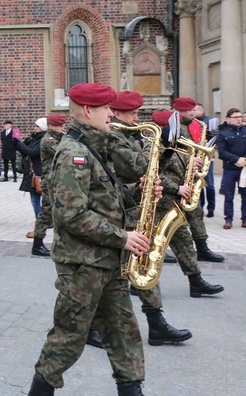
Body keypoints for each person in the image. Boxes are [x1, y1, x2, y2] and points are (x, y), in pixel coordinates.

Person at [28, 83, 152, 396]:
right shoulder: (74, 154)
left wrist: (137, 194)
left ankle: (131, 389)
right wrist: (122, 237)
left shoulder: (94, 146)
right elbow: (72, 215)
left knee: (123, 330)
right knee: (70, 336)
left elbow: (104, 200)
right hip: (83, 264)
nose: (112, 114)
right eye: (106, 109)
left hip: (106, 259)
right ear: (87, 111)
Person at [108, 93, 192, 347]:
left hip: (134, 211)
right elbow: (140, 166)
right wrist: (163, 149)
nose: (136, 118)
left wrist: (160, 158)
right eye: (132, 113)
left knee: (138, 268)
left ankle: (156, 324)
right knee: (113, 274)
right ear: (118, 113)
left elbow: (146, 169)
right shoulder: (114, 139)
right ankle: (91, 327)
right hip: (118, 215)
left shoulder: (129, 137)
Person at [148, 109, 224, 299]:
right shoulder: (153, 145)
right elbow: (154, 173)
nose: (181, 133)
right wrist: (177, 188)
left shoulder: (176, 144)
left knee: (184, 242)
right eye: (177, 128)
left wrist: (193, 163)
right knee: (150, 244)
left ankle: (196, 282)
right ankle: (140, 281)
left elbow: (179, 163)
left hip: (173, 204)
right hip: (160, 201)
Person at [169, 97, 224, 262]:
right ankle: (157, 250)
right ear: (181, 111)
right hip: (173, 177)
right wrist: (190, 161)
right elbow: (169, 152)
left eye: (194, 110)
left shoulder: (192, 125)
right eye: (190, 110)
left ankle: (202, 248)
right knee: (165, 216)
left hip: (188, 177)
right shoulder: (172, 127)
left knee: (196, 211)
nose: (194, 113)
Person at [26, 114, 68, 256]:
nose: (63, 128)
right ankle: (37, 244)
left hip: (58, 181)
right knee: (46, 213)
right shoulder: (49, 139)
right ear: (51, 126)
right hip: (51, 182)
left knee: (59, 213)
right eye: (60, 126)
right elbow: (63, 154)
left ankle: (61, 243)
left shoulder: (58, 138)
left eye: (63, 125)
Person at [216, 107, 246, 230]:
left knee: (245, 195)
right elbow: (222, 152)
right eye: (235, 117)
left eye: (240, 117)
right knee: (229, 195)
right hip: (230, 168)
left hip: (244, 169)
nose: (238, 119)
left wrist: (244, 160)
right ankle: (228, 219)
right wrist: (236, 160)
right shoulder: (223, 133)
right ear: (228, 119)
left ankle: (245, 219)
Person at [15, 118, 47, 221]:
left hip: (39, 173)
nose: (35, 128)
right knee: (34, 199)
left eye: (37, 126)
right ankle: (40, 220)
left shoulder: (44, 139)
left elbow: (32, 152)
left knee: (41, 200)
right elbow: (26, 151)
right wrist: (17, 143)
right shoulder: (34, 138)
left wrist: (18, 143)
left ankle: (43, 220)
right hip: (32, 173)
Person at [194, 103, 216, 217]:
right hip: (197, 157)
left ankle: (211, 208)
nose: (193, 112)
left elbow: (216, 136)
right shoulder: (192, 123)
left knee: (210, 184)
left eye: (195, 109)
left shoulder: (209, 121)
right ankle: (200, 207)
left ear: (201, 110)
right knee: (199, 185)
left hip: (207, 158)